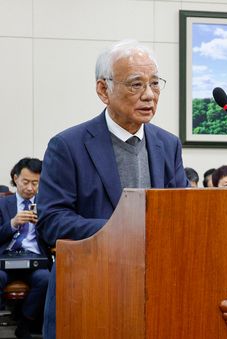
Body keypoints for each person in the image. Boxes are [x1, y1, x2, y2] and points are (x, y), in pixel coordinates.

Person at [36, 40, 188, 339]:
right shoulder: (68, 145)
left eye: (155, 84)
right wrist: (122, 229)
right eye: (136, 84)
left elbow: (179, 213)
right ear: (103, 90)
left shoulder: (167, 144)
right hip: (89, 289)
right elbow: (52, 221)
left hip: (156, 290)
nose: (149, 95)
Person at [0, 158, 49, 339]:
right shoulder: (3, 204)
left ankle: (25, 323)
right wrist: (12, 224)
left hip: (34, 260)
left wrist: (43, 225)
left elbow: (53, 238)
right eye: (26, 182)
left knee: (45, 279)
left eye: (35, 183)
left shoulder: (46, 206)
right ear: (15, 178)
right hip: (5, 260)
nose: (30, 188)